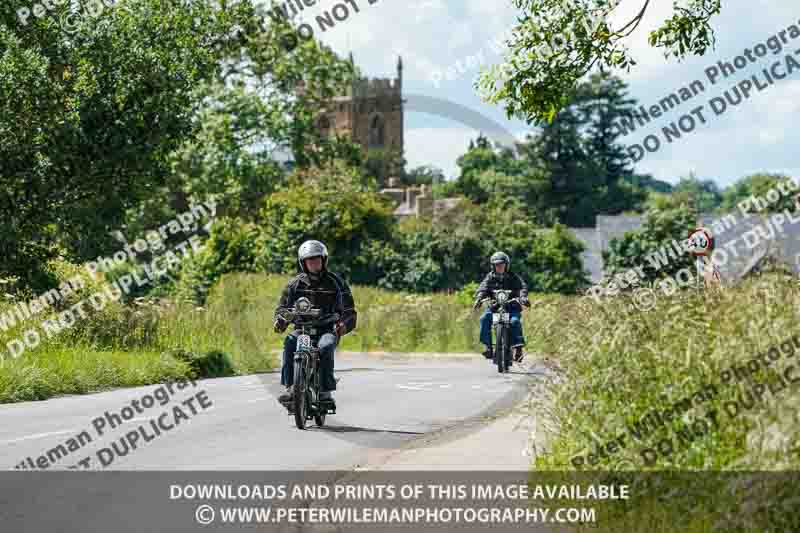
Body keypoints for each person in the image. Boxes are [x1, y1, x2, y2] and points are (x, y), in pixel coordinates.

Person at [274, 240, 357, 409]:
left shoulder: (336, 283)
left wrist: (343, 325)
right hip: (301, 329)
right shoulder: (294, 284)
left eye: (317, 259)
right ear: (303, 263)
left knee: (326, 347)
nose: (313, 263)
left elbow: (349, 311)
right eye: (309, 260)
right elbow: (282, 308)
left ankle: (326, 392)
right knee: (290, 342)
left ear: (324, 260)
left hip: (326, 329)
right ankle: (290, 388)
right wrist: (280, 321)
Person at [472, 251, 530, 362]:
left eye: (501, 265)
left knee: (514, 322)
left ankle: (518, 349)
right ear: (493, 266)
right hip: (495, 307)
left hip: (511, 307)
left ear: (506, 265)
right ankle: (488, 347)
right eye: (497, 265)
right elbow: (483, 288)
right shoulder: (490, 277)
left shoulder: (513, 276)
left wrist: (523, 297)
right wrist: (479, 298)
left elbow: (522, 287)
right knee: (484, 318)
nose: (499, 267)